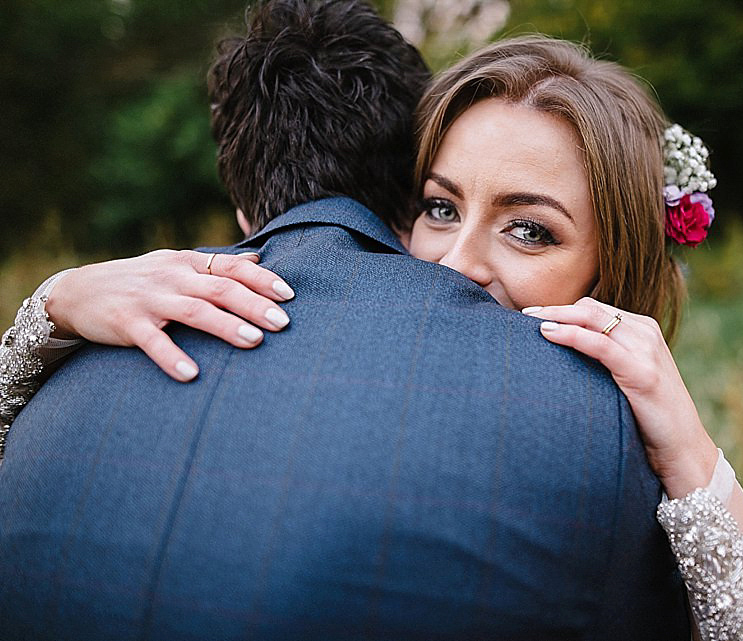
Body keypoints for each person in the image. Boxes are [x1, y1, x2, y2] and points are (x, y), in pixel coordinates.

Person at [0, 2, 691, 640]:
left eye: (530, 230)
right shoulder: (586, 426)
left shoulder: (618, 424)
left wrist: (691, 456)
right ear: (401, 212)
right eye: (441, 208)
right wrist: (52, 308)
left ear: (617, 257)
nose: (454, 264)